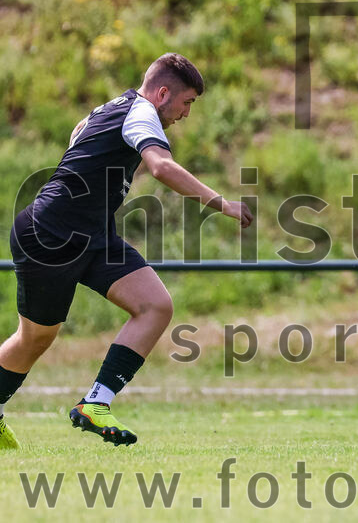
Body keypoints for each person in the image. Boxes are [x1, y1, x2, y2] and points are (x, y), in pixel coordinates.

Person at [0, 53, 253, 448]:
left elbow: (79, 135)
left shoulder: (111, 107)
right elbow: (161, 167)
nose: (186, 113)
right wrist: (223, 204)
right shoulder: (141, 113)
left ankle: (95, 403)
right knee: (34, 339)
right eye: (187, 102)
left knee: (156, 305)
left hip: (91, 235)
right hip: (51, 234)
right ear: (163, 93)